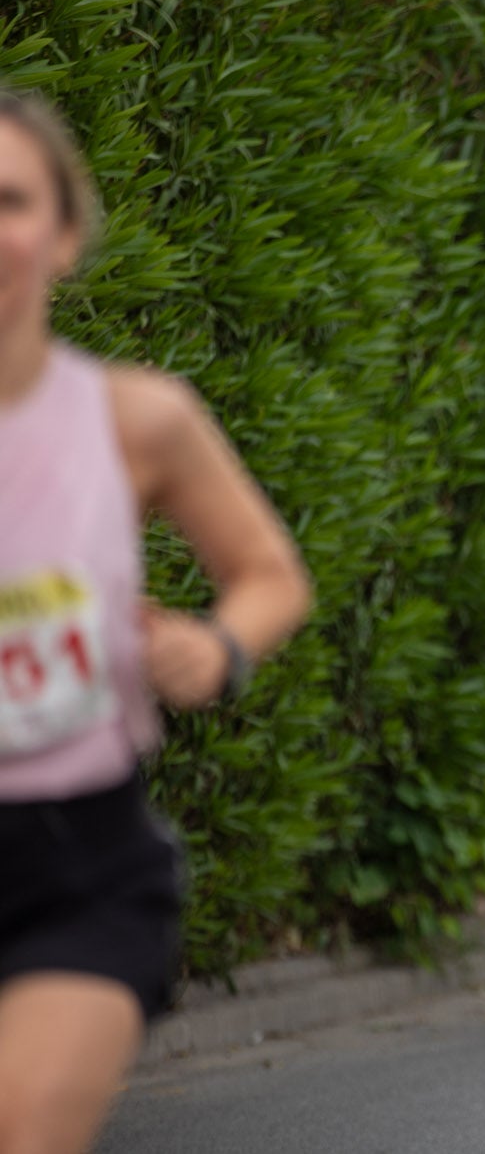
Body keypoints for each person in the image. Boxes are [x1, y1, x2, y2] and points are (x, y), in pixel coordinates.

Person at [0, 89, 313, 1154]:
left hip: (75, 865)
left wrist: (216, 646)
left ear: (64, 234)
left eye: (10, 199)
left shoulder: (138, 416)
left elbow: (270, 574)